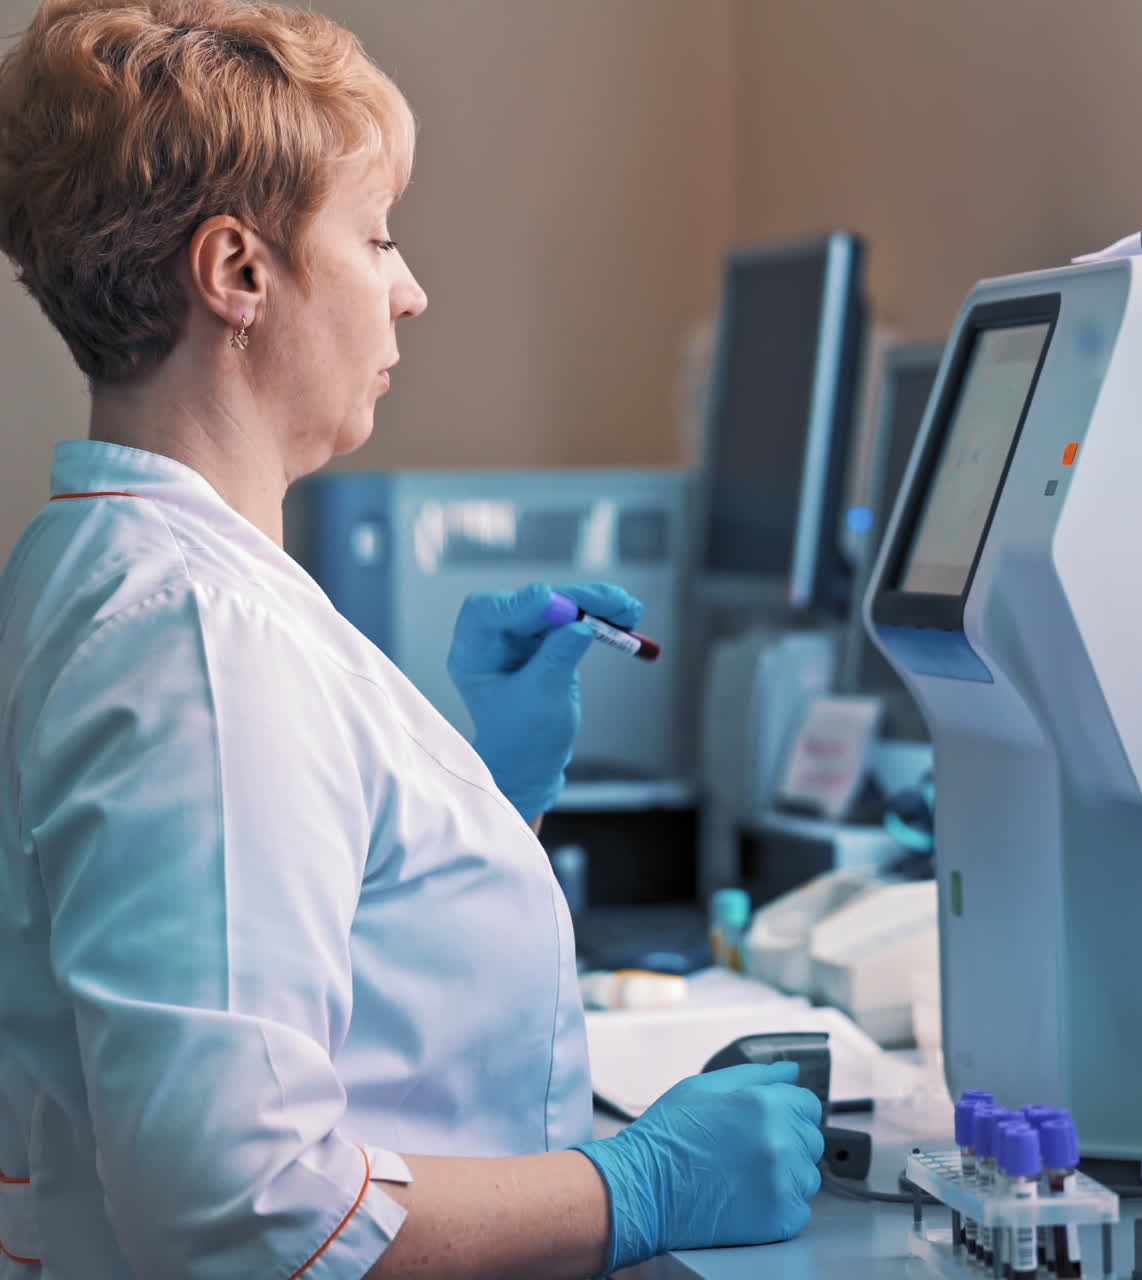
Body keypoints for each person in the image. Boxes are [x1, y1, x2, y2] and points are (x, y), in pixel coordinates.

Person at [0, 2, 825, 1276]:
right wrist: (636, 1187)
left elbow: (278, 959)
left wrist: (486, 794)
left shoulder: (125, 571)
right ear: (238, 274)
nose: (409, 287)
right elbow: (246, 1206)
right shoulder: (199, 636)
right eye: (375, 235)